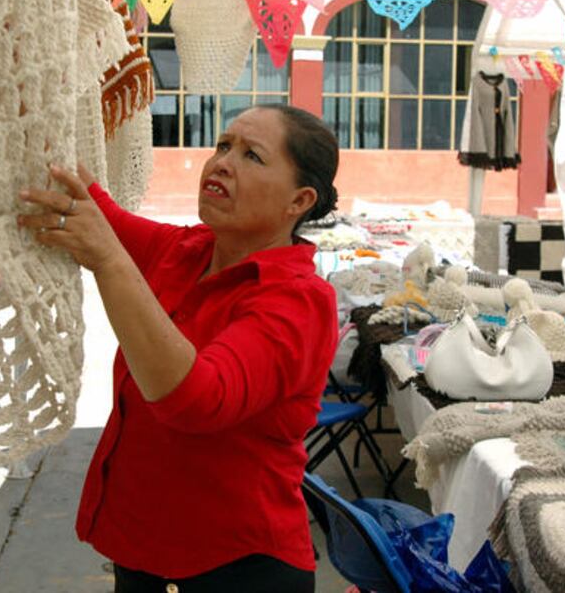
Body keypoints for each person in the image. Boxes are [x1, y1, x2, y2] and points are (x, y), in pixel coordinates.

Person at [17, 104, 340, 592]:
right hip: (145, 556)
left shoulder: (298, 302)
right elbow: (88, 204)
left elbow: (196, 400)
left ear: (299, 201)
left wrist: (108, 260)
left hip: (237, 570)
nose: (222, 163)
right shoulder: (186, 251)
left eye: (252, 156)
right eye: (223, 145)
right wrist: (32, 114)